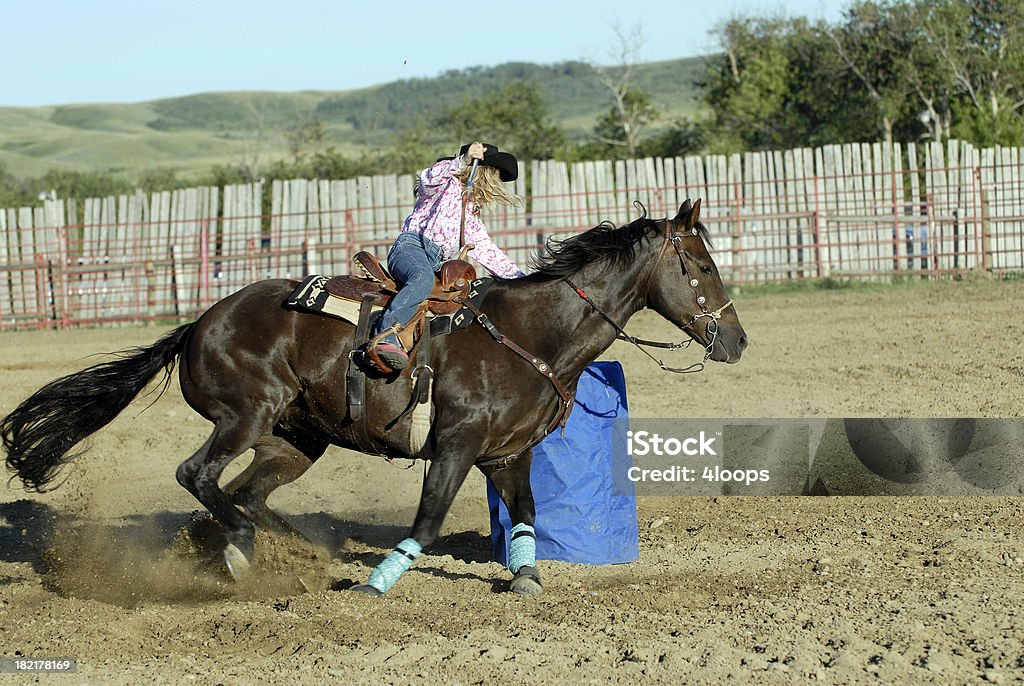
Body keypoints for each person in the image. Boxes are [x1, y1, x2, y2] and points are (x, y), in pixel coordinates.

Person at [368, 141, 526, 373]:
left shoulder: (470, 216)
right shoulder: (443, 185)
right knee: (421, 277)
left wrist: (523, 281)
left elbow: (491, 254)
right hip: (411, 247)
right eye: (494, 174)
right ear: (482, 172)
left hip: (438, 264)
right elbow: (428, 178)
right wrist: (462, 161)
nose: (496, 181)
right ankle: (386, 335)